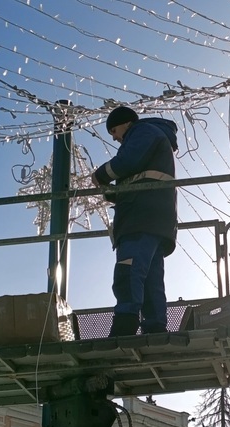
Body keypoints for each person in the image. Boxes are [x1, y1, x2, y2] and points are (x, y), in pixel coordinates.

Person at [92, 106, 178, 336]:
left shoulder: (142, 132)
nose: (114, 138)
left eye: (114, 130)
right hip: (155, 217)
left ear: (126, 123)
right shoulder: (153, 136)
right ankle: (155, 326)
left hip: (139, 217)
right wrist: (112, 193)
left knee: (128, 269)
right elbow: (139, 178)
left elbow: (127, 162)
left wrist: (100, 175)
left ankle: (125, 322)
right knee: (150, 278)